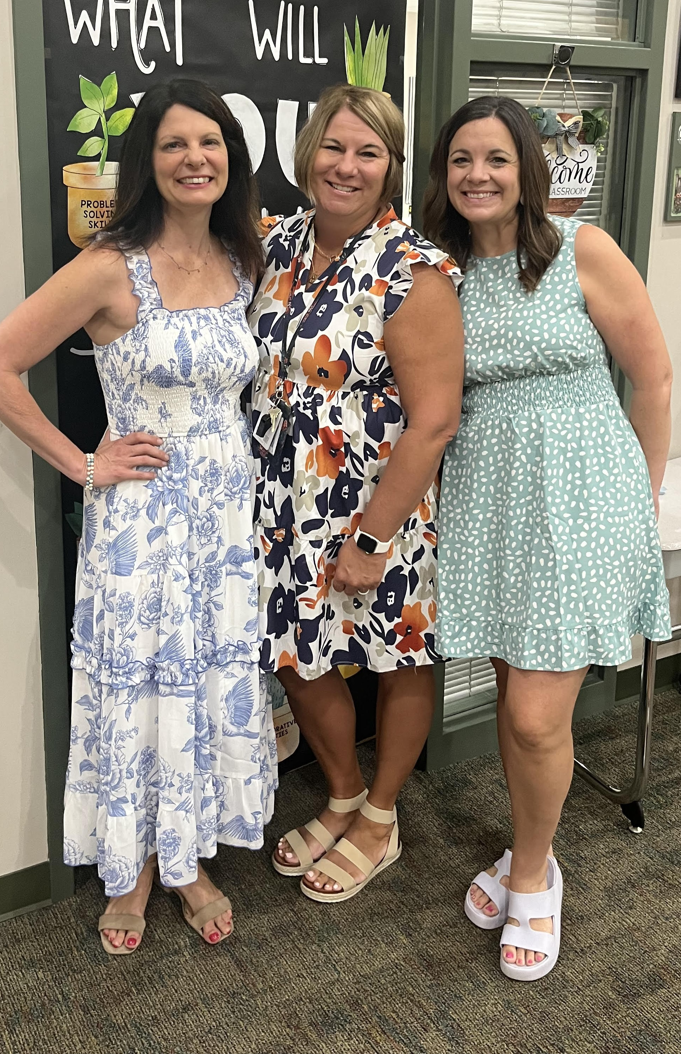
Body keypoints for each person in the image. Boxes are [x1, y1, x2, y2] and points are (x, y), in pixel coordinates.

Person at [0, 79, 277, 954]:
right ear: (148, 159)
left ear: (231, 157)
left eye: (210, 143)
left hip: (224, 524)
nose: (195, 159)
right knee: (139, 687)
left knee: (203, 681)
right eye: (175, 144)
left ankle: (187, 859)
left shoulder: (241, 258)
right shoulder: (111, 266)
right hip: (142, 525)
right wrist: (83, 462)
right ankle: (132, 865)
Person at [423, 96, 672, 981]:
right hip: (489, 502)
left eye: (496, 158)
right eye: (462, 159)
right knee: (513, 697)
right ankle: (529, 843)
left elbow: (652, 377)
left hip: (582, 502)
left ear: (526, 167)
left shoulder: (580, 249)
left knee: (535, 717)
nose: (478, 175)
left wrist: (643, 499)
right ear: (443, 174)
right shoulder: (440, 271)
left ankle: (533, 873)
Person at [249, 84, 464, 902]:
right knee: (295, 651)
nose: (347, 166)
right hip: (281, 502)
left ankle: (380, 816)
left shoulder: (414, 269)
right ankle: (342, 792)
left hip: (379, 503)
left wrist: (372, 538)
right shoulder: (277, 242)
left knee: (395, 652)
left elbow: (435, 421)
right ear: (308, 154)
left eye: (368, 152)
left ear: (391, 167)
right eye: (334, 147)